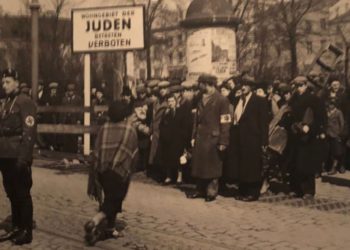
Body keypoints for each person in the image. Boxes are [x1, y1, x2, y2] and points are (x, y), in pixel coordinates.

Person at [85, 100, 139, 246]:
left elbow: (97, 149)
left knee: (111, 197)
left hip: (102, 170)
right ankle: (95, 220)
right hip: (119, 171)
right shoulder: (129, 129)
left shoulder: (105, 127)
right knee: (114, 200)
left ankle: (110, 228)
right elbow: (130, 153)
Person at [0, 69, 37, 245]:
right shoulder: (6, 103)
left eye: (7, 82)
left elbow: (29, 132)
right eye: (3, 82)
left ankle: (26, 230)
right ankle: (16, 226)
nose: (4, 85)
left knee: (22, 193)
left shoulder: (25, 102)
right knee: (11, 192)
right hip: (5, 155)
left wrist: (24, 158)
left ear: (16, 82)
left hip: (17, 155)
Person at [188, 74, 231, 202]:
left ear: (207, 84)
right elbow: (196, 119)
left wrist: (224, 140)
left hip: (213, 138)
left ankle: (211, 192)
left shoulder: (222, 100)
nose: (199, 86)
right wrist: (193, 135)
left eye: (200, 84)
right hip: (200, 137)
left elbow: (225, 121)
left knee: (212, 167)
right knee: (199, 165)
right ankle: (200, 190)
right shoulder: (200, 98)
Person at [227, 76, 269, 201]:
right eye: (241, 85)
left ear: (251, 87)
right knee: (241, 165)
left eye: (246, 85)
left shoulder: (259, 101)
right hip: (239, 138)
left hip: (253, 139)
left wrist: (264, 141)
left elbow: (263, 123)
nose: (243, 87)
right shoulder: (237, 100)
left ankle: (253, 192)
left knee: (252, 166)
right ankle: (243, 191)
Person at [288, 76, 326, 199]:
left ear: (306, 85)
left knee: (306, 163)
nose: (298, 88)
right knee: (295, 162)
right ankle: (296, 189)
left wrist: (311, 128)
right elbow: (290, 115)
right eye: (296, 86)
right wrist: (292, 125)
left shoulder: (314, 99)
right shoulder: (293, 99)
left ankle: (308, 190)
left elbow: (320, 117)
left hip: (308, 136)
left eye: (301, 86)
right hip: (295, 133)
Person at [60, 83, 83, 153]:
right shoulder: (64, 99)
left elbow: (80, 110)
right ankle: (66, 151)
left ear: (74, 91)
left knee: (74, 136)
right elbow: (62, 110)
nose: (70, 92)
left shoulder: (78, 99)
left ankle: (74, 151)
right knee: (66, 136)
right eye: (69, 91)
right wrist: (61, 120)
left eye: (72, 91)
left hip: (74, 120)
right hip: (66, 120)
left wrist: (79, 119)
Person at [326, 99, 345, 175]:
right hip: (328, 134)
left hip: (335, 134)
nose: (330, 106)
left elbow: (342, 123)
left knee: (337, 152)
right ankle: (333, 166)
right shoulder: (327, 111)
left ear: (334, 105)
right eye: (329, 104)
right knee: (329, 151)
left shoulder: (338, 112)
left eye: (332, 104)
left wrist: (339, 133)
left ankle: (336, 167)